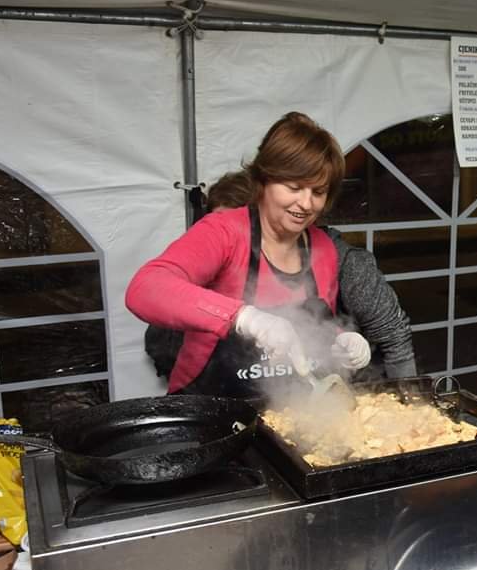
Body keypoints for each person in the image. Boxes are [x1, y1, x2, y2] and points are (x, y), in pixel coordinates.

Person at [127, 112, 416, 397]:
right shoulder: (223, 232)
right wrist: (246, 317)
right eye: (294, 187)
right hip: (211, 406)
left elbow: (317, 328)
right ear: (264, 180)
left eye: (318, 192)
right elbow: (145, 289)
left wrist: (342, 343)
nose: (305, 203)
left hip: (289, 410)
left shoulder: (324, 249)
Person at [143, 170, 254, 379]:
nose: (224, 234)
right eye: (217, 224)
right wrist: (240, 316)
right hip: (202, 384)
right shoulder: (201, 256)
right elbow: (148, 291)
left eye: (235, 225)